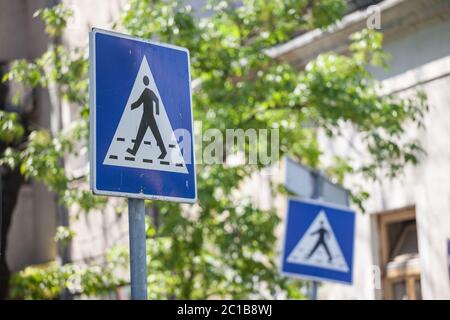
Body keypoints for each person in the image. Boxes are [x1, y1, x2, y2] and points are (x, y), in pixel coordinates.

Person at [126, 76, 167, 159]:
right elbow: (156, 100)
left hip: (149, 116)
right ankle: (134, 151)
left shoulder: (146, 92)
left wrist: (128, 107)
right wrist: (157, 111)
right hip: (147, 115)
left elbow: (138, 103)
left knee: (156, 135)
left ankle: (164, 152)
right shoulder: (150, 91)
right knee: (140, 134)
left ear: (145, 82)